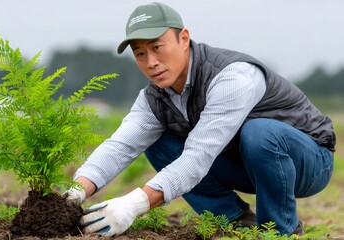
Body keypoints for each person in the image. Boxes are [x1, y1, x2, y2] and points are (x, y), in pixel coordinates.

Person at [65, 2, 335, 237]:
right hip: (246, 164)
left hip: (308, 163)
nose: (151, 62)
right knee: (159, 141)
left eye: (157, 47)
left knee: (259, 132)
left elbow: (199, 154)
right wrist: (74, 192)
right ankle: (234, 218)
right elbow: (120, 145)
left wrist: (135, 204)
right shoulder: (154, 97)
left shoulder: (232, 77)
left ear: (184, 38)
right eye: (140, 53)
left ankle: (280, 230)